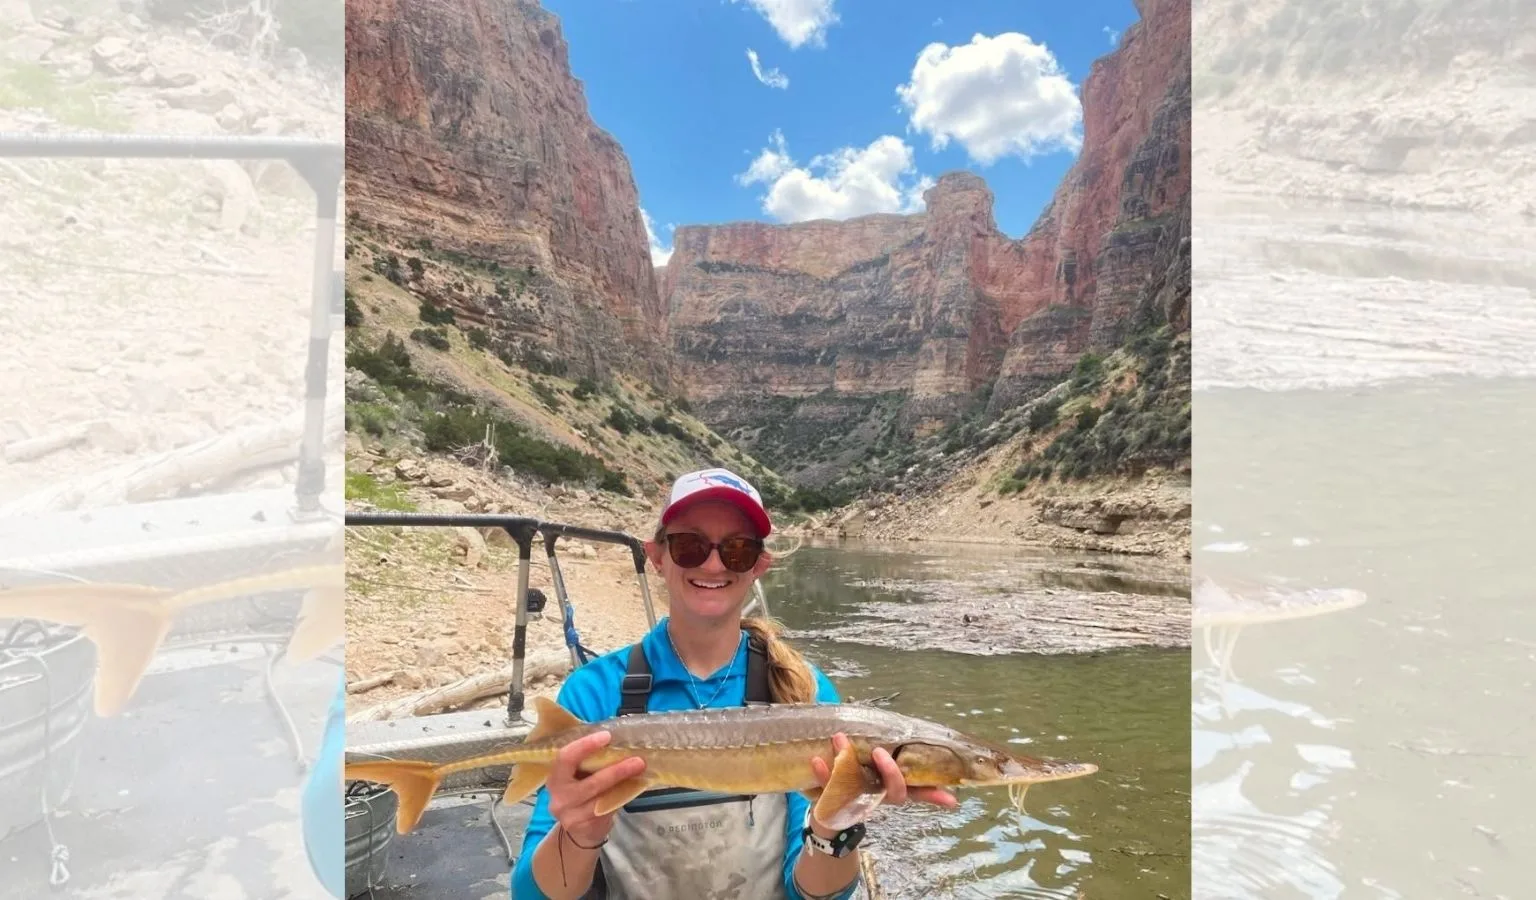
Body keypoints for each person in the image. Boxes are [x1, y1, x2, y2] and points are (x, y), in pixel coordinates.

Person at [509, 467, 956, 899]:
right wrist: (578, 833)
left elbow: (816, 895)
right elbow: (533, 896)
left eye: (737, 549)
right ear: (657, 556)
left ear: (759, 565)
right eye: (689, 546)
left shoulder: (806, 692)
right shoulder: (593, 693)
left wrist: (835, 828)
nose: (713, 563)